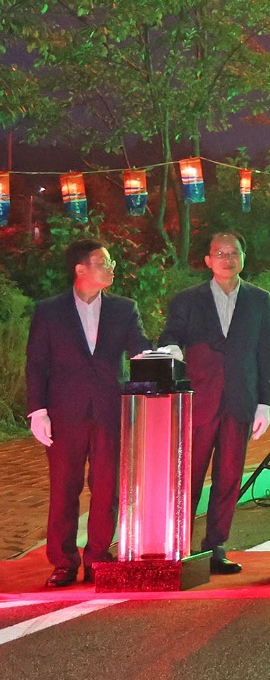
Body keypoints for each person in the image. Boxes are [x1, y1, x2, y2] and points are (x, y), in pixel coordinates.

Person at [26, 237, 147, 587]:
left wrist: (162, 356)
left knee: (107, 488)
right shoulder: (50, 311)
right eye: (103, 262)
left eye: (110, 262)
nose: (111, 267)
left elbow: (140, 350)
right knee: (65, 488)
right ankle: (63, 561)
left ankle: (98, 557)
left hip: (110, 410)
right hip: (65, 413)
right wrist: (38, 411)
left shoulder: (124, 308)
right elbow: (36, 363)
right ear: (81, 268)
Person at [158, 230, 270, 575]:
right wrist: (172, 349)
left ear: (243, 258)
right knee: (188, 476)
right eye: (220, 253)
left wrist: (265, 403)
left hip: (240, 400)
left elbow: (265, 353)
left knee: (229, 477)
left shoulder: (260, 299)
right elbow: (170, 334)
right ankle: (177, 545)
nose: (228, 259)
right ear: (208, 260)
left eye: (234, 253)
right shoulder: (187, 299)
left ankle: (215, 547)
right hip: (200, 401)